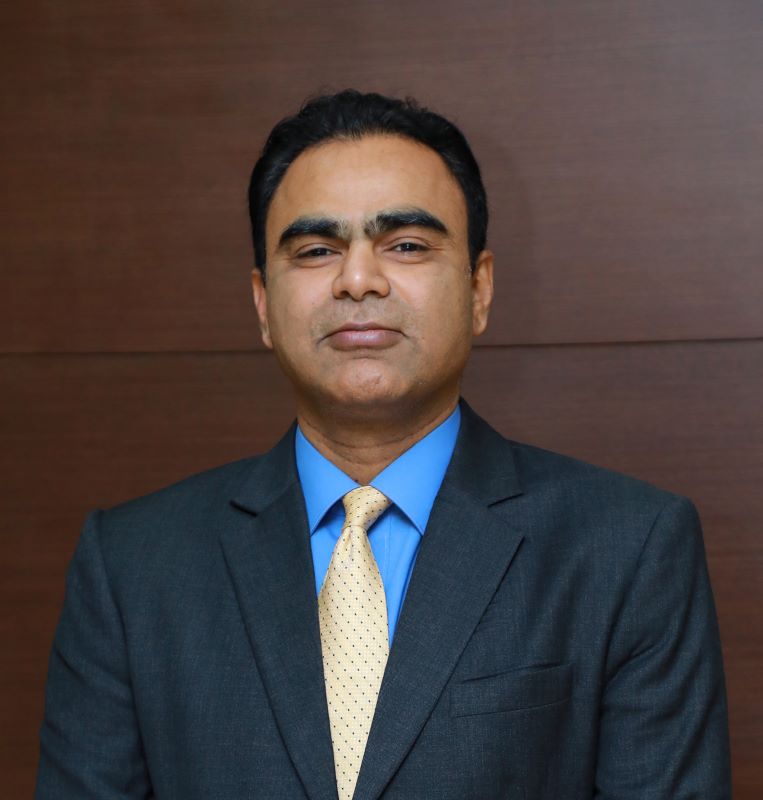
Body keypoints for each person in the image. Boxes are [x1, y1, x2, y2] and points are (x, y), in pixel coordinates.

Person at [36, 90, 731, 799]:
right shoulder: (132, 568)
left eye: (405, 246)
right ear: (262, 303)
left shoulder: (628, 549)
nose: (358, 280)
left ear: (479, 289)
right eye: (316, 250)